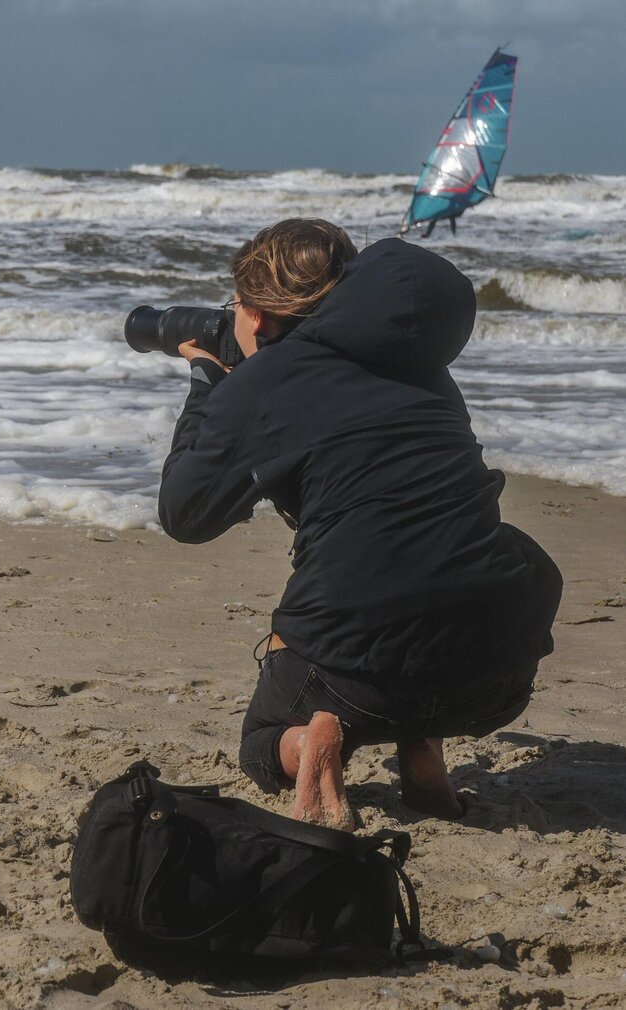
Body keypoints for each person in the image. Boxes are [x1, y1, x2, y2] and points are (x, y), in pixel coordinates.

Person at [158, 219, 562, 832]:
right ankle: (424, 753)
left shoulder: (271, 379)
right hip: (497, 676)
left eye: (236, 305)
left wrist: (208, 383)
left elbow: (185, 515)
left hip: (363, 692)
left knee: (262, 737)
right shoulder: (424, 366)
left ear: (259, 317)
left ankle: (318, 742)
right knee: (420, 570)